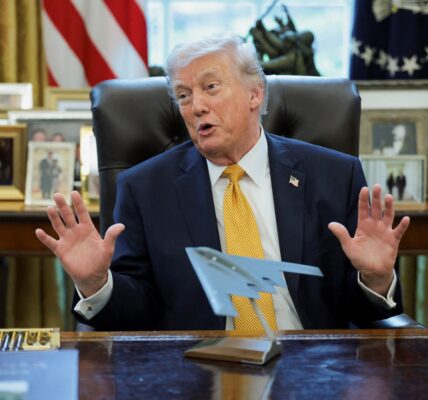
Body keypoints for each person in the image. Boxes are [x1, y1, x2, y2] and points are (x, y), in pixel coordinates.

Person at [35, 35, 410, 331]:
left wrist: (375, 279)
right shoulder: (145, 188)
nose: (196, 106)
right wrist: (97, 284)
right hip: (197, 370)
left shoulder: (334, 175)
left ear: (255, 94)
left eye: (211, 87)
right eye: (183, 95)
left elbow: (358, 314)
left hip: (310, 367)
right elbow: (138, 312)